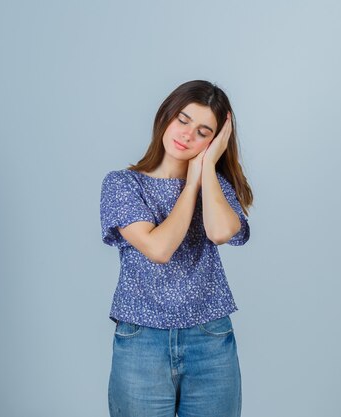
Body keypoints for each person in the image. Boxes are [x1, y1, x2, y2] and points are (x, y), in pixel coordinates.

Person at [99, 80, 253, 417]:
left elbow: (220, 231)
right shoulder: (122, 184)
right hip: (142, 342)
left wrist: (207, 170)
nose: (187, 135)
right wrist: (192, 183)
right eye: (183, 120)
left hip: (210, 338)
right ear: (166, 115)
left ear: (215, 142)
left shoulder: (216, 187)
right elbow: (159, 248)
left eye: (203, 131)